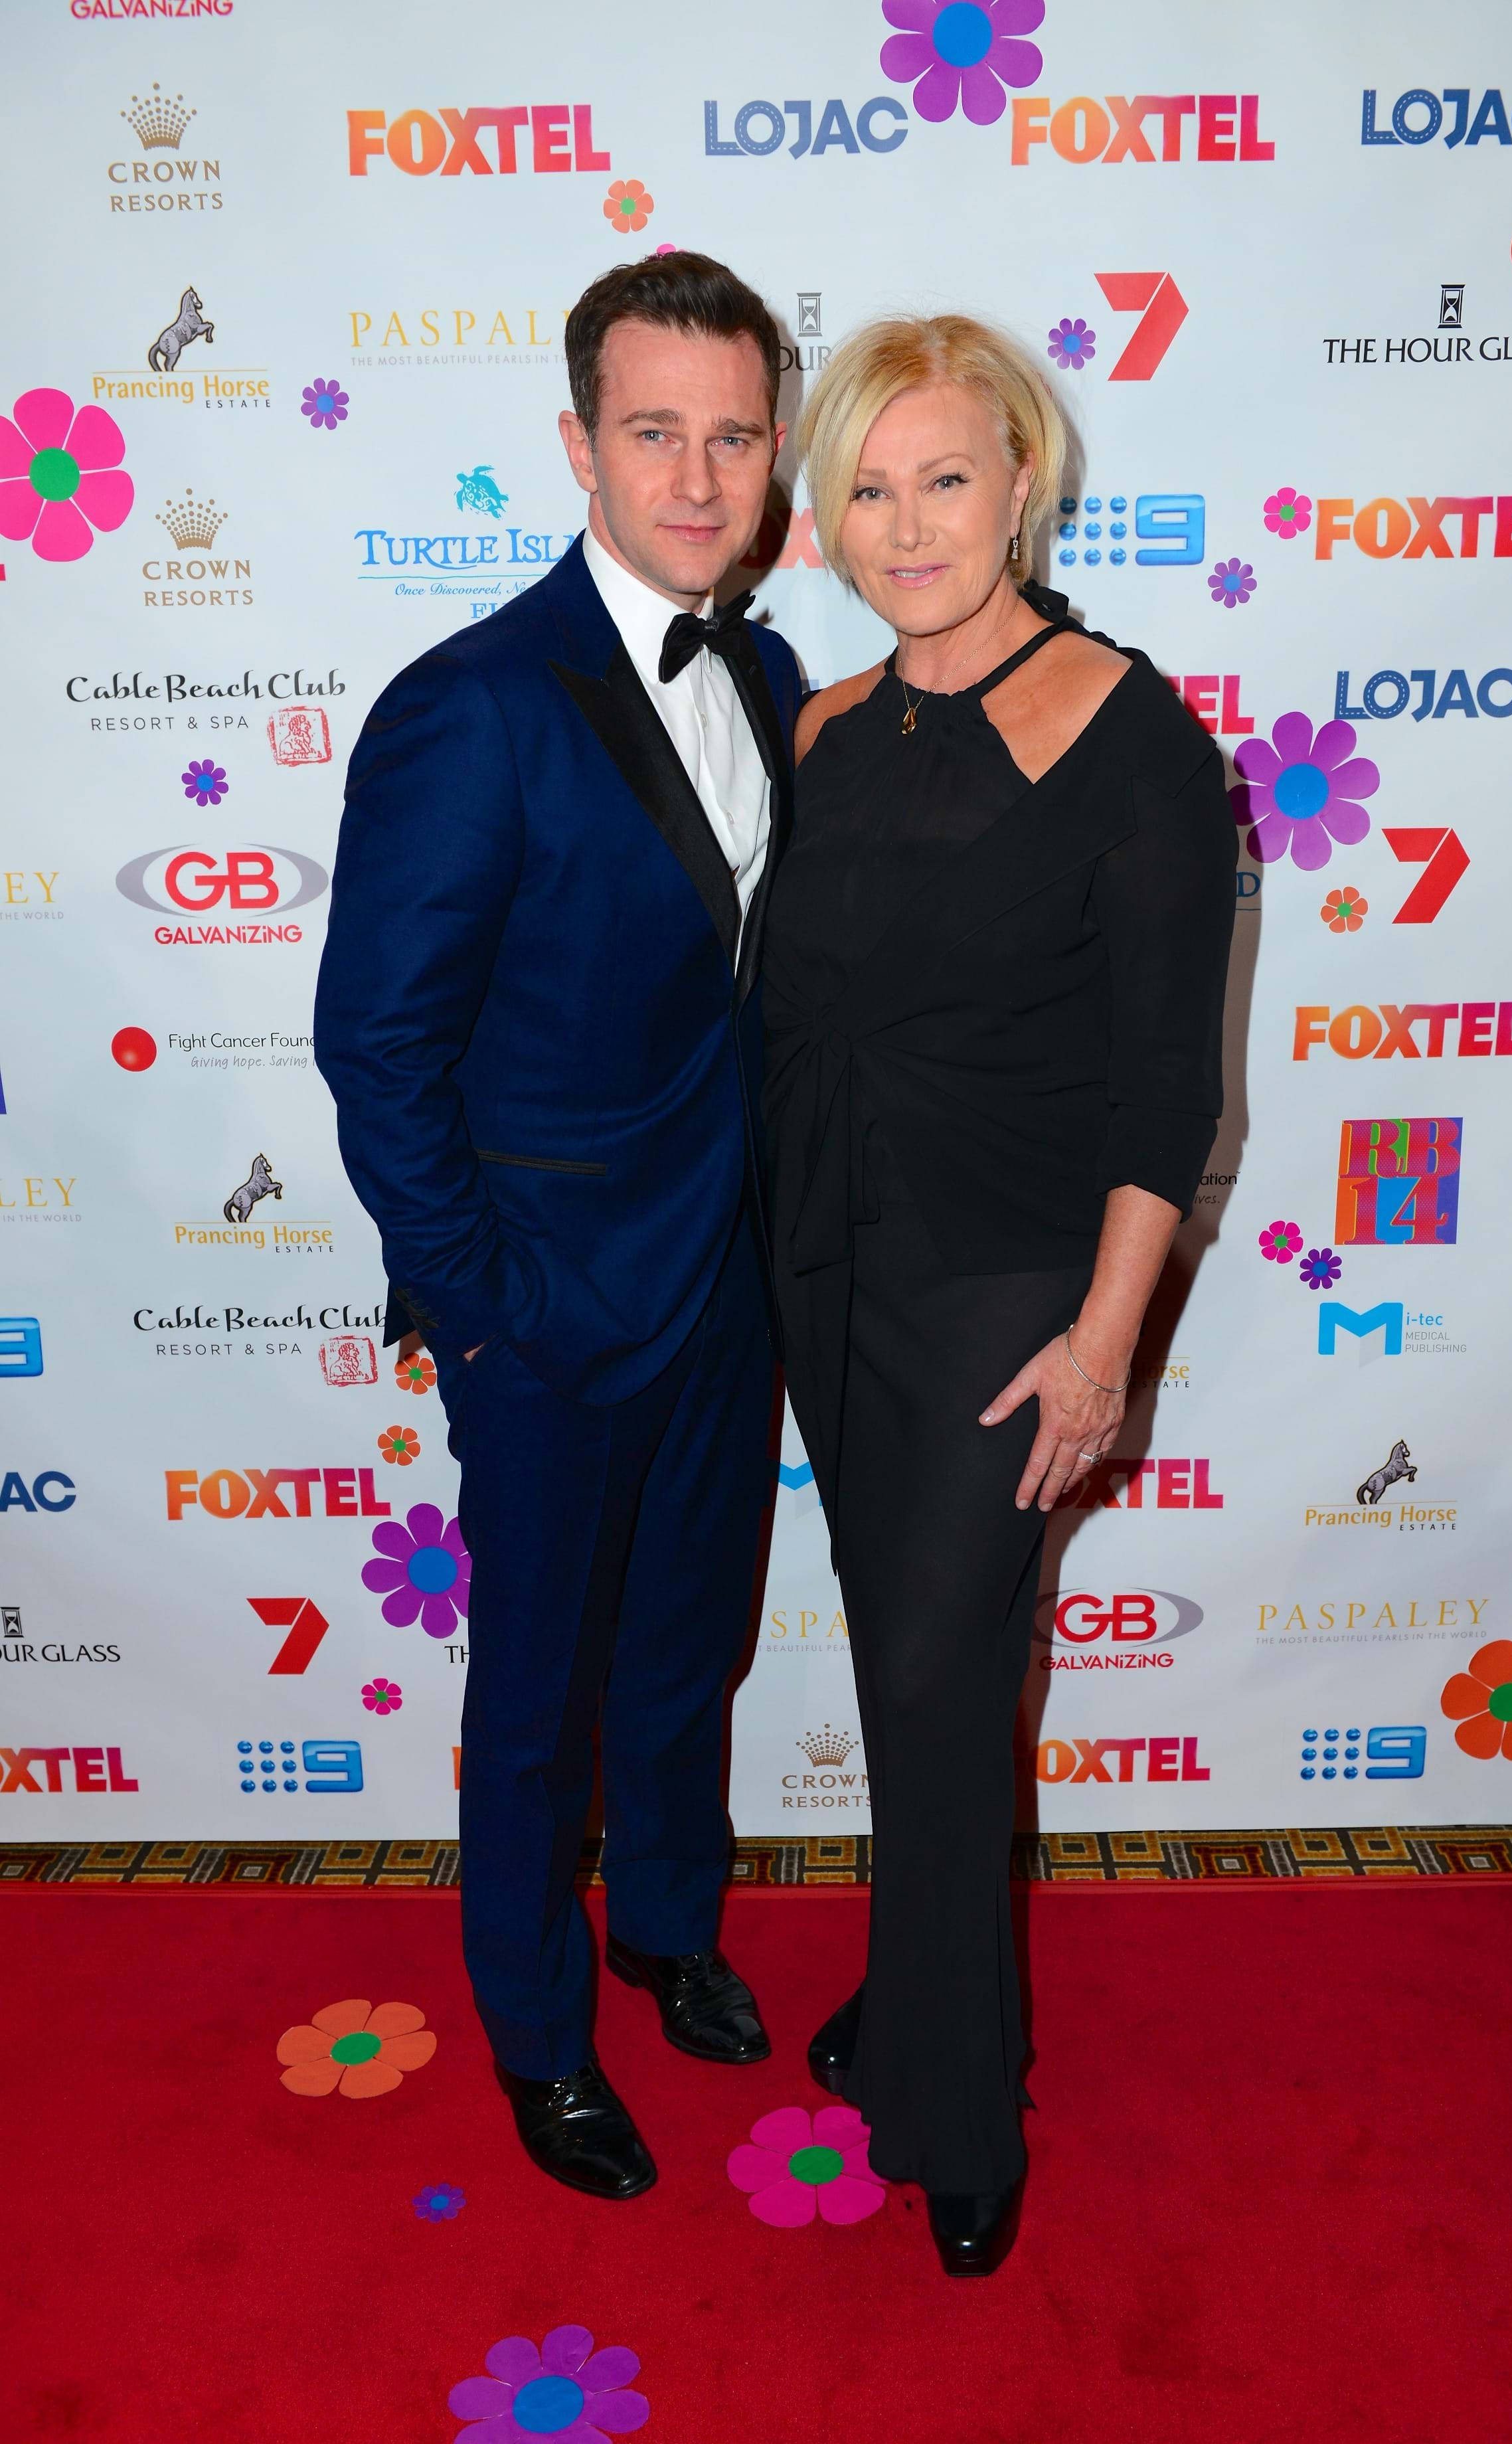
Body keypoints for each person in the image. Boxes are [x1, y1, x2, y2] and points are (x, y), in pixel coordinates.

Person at [314, 254, 800, 2202]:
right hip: (545, 1310)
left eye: (736, 434)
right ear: (581, 446)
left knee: (689, 1648)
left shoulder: (767, 671)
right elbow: (379, 1052)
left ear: (775, 453)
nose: (698, 476)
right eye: (656, 432)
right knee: (532, 1703)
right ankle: (535, 2031)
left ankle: (664, 1925)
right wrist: (479, 1306)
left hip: (727, 1279)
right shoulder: (473, 710)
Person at [761, 316, 1235, 2274]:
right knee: (907, 1671)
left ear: (1024, 482)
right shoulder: (823, 727)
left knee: (949, 1681)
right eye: (866, 486)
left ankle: (955, 2109)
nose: (904, 522)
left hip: (1007, 1294)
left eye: (942, 477)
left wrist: (1104, 1348)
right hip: (825, 1264)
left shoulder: (1136, 736)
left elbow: (1166, 1091)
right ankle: (921, 1975)